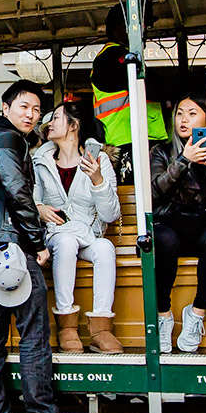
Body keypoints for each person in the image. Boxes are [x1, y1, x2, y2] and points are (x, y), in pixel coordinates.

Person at [0, 79, 85, 413]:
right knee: (33, 334)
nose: (31, 115)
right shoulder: (8, 140)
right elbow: (18, 193)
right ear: (5, 108)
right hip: (9, 247)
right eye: (24, 106)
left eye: (36, 109)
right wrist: (36, 244)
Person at [31, 99, 122, 353]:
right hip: (56, 237)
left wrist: (97, 180)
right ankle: (67, 327)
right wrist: (39, 209)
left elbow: (110, 214)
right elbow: (31, 199)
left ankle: (101, 329)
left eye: (57, 118)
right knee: (66, 241)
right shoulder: (40, 161)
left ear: (74, 126)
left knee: (105, 248)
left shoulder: (99, 161)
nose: (49, 123)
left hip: (89, 236)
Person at [147, 94, 206, 354]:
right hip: (170, 222)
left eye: (192, 113)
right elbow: (154, 193)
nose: (184, 119)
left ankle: (196, 313)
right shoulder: (161, 151)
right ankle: (163, 314)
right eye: (179, 113)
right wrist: (183, 160)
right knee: (161, 240)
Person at [91, 6, 169, 172]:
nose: (146, 30)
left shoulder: (116, 57)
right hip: (129, 145)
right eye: (142, 24)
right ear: (123, 26)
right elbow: (158, 88)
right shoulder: (111, 58)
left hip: (136, 142)